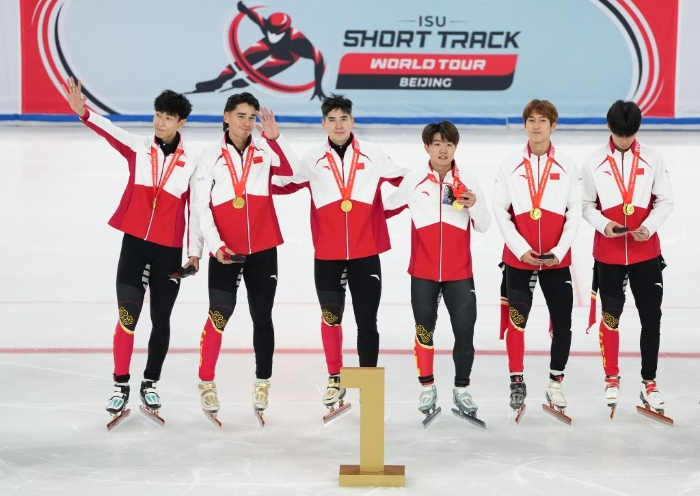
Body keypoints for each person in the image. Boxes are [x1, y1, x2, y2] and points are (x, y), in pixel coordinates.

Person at [62, 77, 201, 419]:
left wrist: (195, 252)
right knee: (127, 315)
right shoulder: (138, 147)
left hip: (169, 251)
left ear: (181, 122)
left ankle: (150, 383)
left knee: (161, 319)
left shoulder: (193, 161)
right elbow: (109, 130)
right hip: (135, 246)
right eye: (157, 115)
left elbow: (196, 210)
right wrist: (84, 112)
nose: (160, 122)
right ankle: (120, 385)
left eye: (168, 117)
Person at [272, 93, 409, 412]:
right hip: (328, 255)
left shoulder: (374, 154)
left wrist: (382, 212)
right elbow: (282, 184)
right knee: (331, 318)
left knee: (367, 321)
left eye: (343, 118)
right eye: (331, 119)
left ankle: (368, 386)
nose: (338, 125)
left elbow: (409, 181)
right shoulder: (311, 158)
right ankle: (335, 378)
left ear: (352, 121)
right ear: (323, 124)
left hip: (365, 252)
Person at [191, 92, 298, 419]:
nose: (247, 122)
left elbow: (291, 171)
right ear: (226, 117)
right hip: (226, 250)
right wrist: (215, 246)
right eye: (241, 115)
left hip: (263, 247)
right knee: (219, 315)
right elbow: (200, 207)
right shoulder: (210, 155)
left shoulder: (264, 148)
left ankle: (263, 381)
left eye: (252, 117)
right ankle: (206, 381)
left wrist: (276, 138)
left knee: (262, 316)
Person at [384, 121, 491, 420]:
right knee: (424, 330)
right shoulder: (413, 181)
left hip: (459, 273)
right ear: (427, 147)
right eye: (437, 144)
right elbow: (383, 208)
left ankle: (462, 388)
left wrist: (474, 204)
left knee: (465, 331)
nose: (443, 150)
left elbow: (484, 225)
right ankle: (427, 387)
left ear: (455, 147)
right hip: (423, 271)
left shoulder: (468, 182)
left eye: (449, 144)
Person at [581, 100, 674, 413]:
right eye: (620, 134)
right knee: (611, 317)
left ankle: (649, 383)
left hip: (645, 253)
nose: (624, 140)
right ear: (609, 128)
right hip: (608, 254)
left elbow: (665, 200)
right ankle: (611, 377)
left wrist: (649, 226)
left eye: (630, 134)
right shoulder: (594, 161)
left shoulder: (653, 158)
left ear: (638, 129)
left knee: (651, 318)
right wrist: (603, 225)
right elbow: (585, 204)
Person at [492, 99, 581, 415]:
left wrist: (559, 250)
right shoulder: (509, 165)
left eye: (543, 120)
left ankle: (555, 382)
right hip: (520, 259)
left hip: (556, 260)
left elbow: (575, 212)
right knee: (517, 321)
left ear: (553, 126)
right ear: (525, 124)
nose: (536, 125)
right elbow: (500, 211)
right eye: (531, 120)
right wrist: (520, 249)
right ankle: (516, 381)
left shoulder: (568, 166)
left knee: (563, 323)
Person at [190, 1, 326, 100]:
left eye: (276, 32)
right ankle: (217, 82)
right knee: (240, 62)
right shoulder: (266, 25)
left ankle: (247, 80)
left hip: (287, 55)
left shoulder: (298, 40)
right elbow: (254, 16)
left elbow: (318, 59)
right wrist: (244, 8)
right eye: (271, 30)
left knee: (260, 74)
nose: (273, 34)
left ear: (285, 30)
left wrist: (318, 87)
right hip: (267, 45)